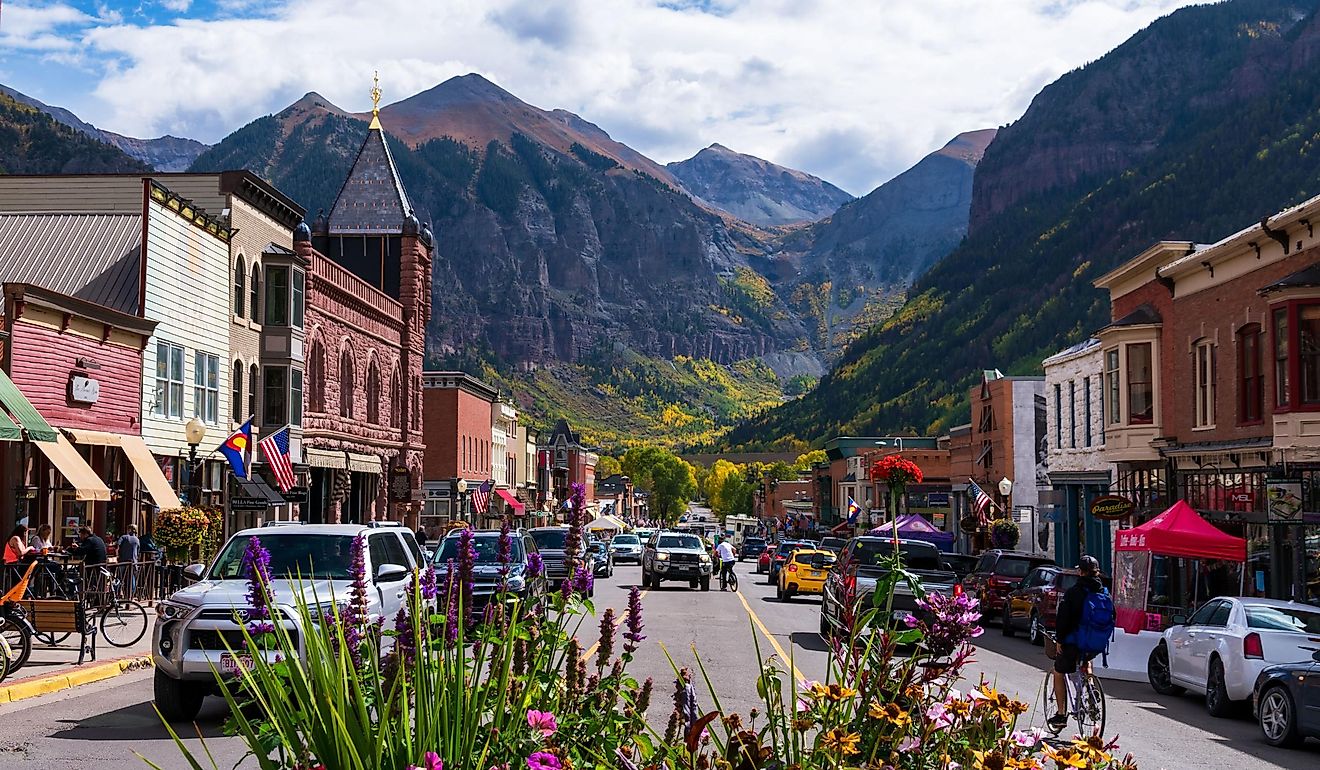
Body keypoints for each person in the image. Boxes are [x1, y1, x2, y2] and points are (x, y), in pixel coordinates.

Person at [1049, 555, 1112, 731]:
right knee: (1086, 660)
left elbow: (1063, 619)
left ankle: (1061, 714)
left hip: (1073, 642)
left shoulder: (1074, 593)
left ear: (1080, 572)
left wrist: (1060, 640)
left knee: (1058, 671)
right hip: (1095, 643)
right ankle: (1090, 688)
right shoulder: (1104, 592)